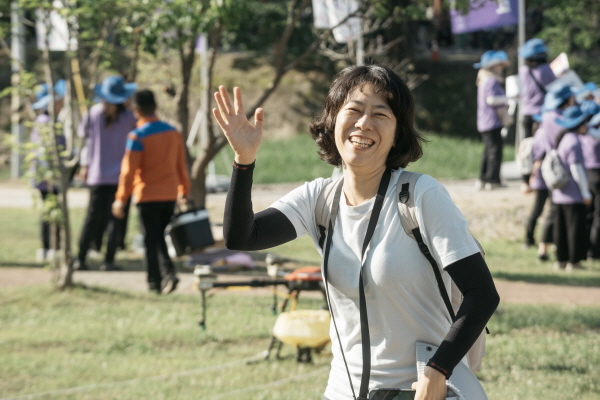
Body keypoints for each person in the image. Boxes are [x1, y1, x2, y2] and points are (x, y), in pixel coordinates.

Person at [216, 64, 500, 400]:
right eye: (353, 110)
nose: (364, 123)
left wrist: (437, 370)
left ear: (397, 134)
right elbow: (242, 237)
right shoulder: (319, 199)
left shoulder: (420, 195)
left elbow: (482, 293)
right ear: (333, 119)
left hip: (415, 391)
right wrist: (244, 160)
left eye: (381, 114)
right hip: (342, 391)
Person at [112, 89, 190, 294]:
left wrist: (121, 199)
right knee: (160, 236)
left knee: (150, 239)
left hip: (147, 195)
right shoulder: (173, 133)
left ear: (136, 110)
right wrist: (184, 190)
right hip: (169, 194)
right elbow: (181, 165)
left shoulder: (137, 136)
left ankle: (155, 282)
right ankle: (169, 273)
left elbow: (128, 172)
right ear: (155, 106)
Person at [73, 76, 137, 271]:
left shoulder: (93, 113)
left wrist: (84, 165)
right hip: (122, 177)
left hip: (97, 174)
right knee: (116, 220)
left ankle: (81, 257)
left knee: (92, 218)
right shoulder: (129, 117)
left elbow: (85, 140)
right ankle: (108, 260)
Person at [525, 84, 574, 260]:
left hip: (547, 170)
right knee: (551, 211)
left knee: (545, 211)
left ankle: (542, 246)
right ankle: (543, 248)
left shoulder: (546, 118)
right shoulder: (561, 118)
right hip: (557, 170)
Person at [552, 106, 593, 271]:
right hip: (572, 194)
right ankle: (574, 262)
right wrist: (585, 192)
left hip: (560, 194)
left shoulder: (564, 139)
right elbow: (577, 170)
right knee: (575, 229)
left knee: (560, 229)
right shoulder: (574, 142)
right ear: (579, 124)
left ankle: (561, 260)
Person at [30, 79, 67, 262]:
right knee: (50, 213)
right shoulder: (46, 122)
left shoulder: (48, 121)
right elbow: (43, 152)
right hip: (48, 178)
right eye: (59, 101)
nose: (61, 104)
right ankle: (49, 248)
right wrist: (51, 176)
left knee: (52, 212)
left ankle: (52, 247)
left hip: (49, 176)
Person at [474, 50, 511, 190]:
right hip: (492, 121)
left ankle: (483, 179)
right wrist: (509, 98)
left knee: (488, 151)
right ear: (493, 66)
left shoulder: (483, 79)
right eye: (499, 64)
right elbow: (491, 99)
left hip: (485, 121)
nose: (501, 67)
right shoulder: (490, 80)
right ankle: (492, 180)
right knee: (495, 151)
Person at [518, 38, 556, 139]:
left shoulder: (523, 70)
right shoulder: (546, 69)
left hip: (526, 112)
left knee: (528, 143)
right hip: (541, 113)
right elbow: (555, 86)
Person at [582, 108, 600, 260]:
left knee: (587, 214)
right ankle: (594, 252)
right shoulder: (594, 135)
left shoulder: (581, 134)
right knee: (598, 215)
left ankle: (585, 248)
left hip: (586, 174)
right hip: (597, 174)